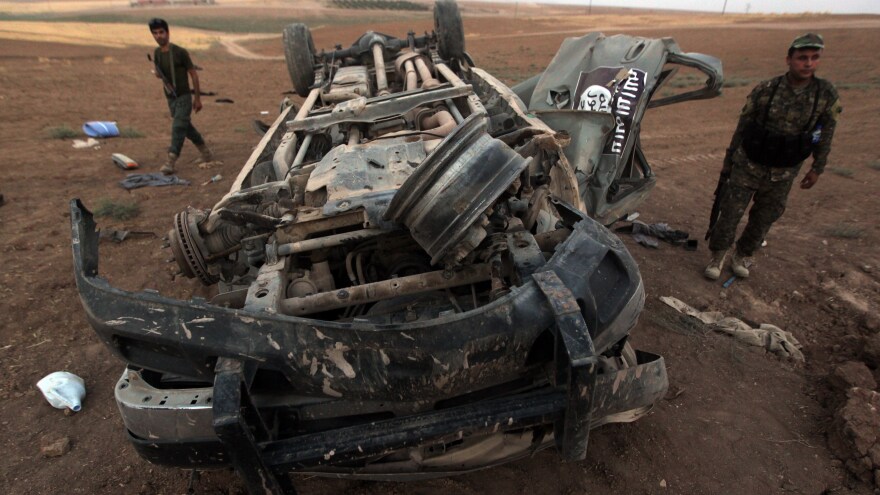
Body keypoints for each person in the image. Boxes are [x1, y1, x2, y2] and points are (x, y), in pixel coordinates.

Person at [704, 33, 841, 280]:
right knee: (730, 212)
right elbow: (743, 127)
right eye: (802, 58)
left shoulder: (825, 95)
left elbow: (825, 132)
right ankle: (718, 255)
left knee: (765, 218)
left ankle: (742, 255)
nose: (808, 63)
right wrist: (729, 162)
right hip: (749, 164)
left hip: (784, 170)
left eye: (814, 58)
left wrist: (817, 167)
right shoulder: (767, 89)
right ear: (789, 60)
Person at [148, 18, 212, 175]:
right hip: (171, 98)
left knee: (178, 127)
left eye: (161, 32)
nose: (159, 36)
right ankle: (205, 153)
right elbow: (161, 74)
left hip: (183, 96)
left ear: (168, 33)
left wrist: (197, 98)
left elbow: (194, 75)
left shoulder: (180, 52)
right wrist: (158, 74)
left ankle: (171, 160)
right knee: (186, 127)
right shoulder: (156, 53)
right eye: (155, 33)